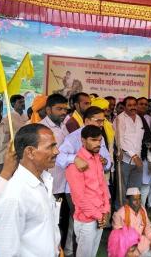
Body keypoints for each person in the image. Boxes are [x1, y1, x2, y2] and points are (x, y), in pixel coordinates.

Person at [0, 124, 60, 257]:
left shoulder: (44, 181)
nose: (56, 151)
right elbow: (4, 252)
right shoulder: (14, 196)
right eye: (50, 147)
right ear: (30, 152)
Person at [56, 106, 112, 256]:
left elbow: (107, 163)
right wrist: (74, 159)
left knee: (93, 238)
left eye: (103, 120)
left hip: (98, 196)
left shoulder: (99, 138)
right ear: (86, 121)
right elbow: (58, 157)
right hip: (78, 191)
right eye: (98, 120)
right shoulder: (73, 138)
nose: (101, 123)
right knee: (81, 231)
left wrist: (104, 161)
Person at [112, 187, 151, 256]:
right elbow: (117, 239)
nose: (138, 202)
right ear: (128, 201)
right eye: (134, 200)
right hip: (129, 248)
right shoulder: (119, 214)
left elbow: (147, 228)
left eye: (139, 199)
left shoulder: (142, 210)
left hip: (142, 241)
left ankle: (148, 251)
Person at [39, 94, 69, 197]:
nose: (63, 112)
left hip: (65, 179)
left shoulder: (63, 126)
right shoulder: (42, 128)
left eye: (65, 109)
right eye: (59, 109)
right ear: (48, 110)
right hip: (51, 180)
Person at [115, 97, 145, 201]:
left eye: (134, 105)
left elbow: (140, 140)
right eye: (129, 105)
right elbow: (119, 141)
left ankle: (133, 213)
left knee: (135, 189)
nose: (133, 107)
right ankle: (121, 213)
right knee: (122, 189)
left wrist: (138, 157)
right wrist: (133, 155)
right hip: (125, 160)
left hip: (138, 159)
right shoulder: (119, 119)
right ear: (124, 107)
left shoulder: (139, 118)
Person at [136, 97, 151, 209]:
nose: (144, 106)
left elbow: (148, 141)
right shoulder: (133, 119)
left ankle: (142, 209)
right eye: (141, 104)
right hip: (133, 158)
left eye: (145, 104)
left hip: (144, 157)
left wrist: (149, 160)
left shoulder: (146, 118)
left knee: (145, 184)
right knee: (136, 186)